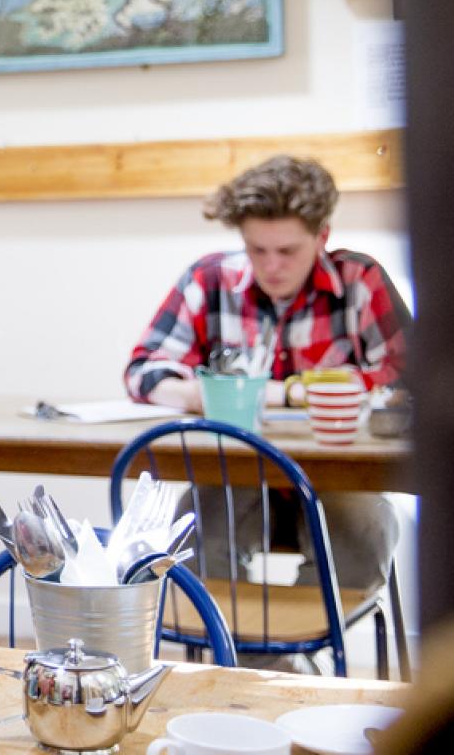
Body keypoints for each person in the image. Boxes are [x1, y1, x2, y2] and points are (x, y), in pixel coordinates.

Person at [124, 155, 411, 641]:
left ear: (322, 237)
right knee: (191, 538)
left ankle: (307, 648)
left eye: (288, 250)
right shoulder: (209, 281)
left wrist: (278, 391)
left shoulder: (360, 282)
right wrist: (195, 393)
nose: (272, 266)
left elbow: (406, 379)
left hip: (337, 476)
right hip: (234, 473)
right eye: (257, 249)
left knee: (366, 533)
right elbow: (143, 371)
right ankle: (267, 665)